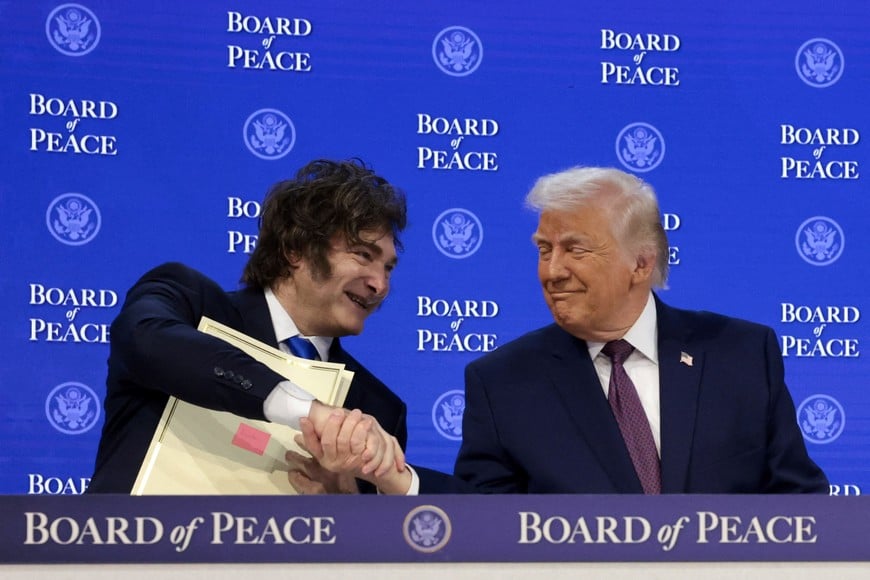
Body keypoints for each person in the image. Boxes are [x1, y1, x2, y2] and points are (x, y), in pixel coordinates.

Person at [305, 165, 829, 495]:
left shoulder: (739, 353)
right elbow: (483, 530)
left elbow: (802, 508)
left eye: (575, 249)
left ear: (641, 264)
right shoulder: (503, 382)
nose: (552, 271)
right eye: (543, 249)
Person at [87, 158, 409, 494]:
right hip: (127, 543)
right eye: (362, 255)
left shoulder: (376, 410)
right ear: (295, 250)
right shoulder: (190, 304)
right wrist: (310, 412)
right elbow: (145, 340)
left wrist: (346, 506)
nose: (380, 285)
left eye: (388, 268)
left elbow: (367, 539)